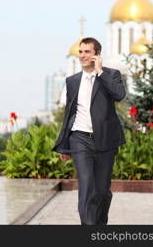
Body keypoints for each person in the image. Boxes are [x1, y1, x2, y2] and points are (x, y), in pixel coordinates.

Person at [53, 37, 126, 225]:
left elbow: (119, 95)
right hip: (80, 139)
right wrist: (64, 145)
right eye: (81, 51)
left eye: (87, 52)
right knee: (86, 187)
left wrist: (100, 72)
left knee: (102, 191)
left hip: (105, 140)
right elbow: (69, 113)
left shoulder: (111, 75)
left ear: (96, 55)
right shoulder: (72, 81)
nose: (83, 55)